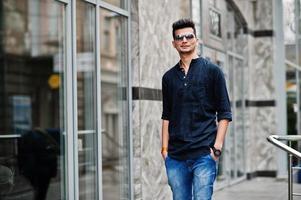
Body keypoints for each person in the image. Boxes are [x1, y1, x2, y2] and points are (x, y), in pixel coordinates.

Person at [161, 18, 232, 200]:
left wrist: (217, 148)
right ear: (174, 43)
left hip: (203, 154)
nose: (184, 40)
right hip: (176, 157)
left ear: (196, 39)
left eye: (188, 36)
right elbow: (166, 115)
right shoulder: (168, 77)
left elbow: (224, 113)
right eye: (179, 38)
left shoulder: (213, 72)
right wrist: (164, 149)